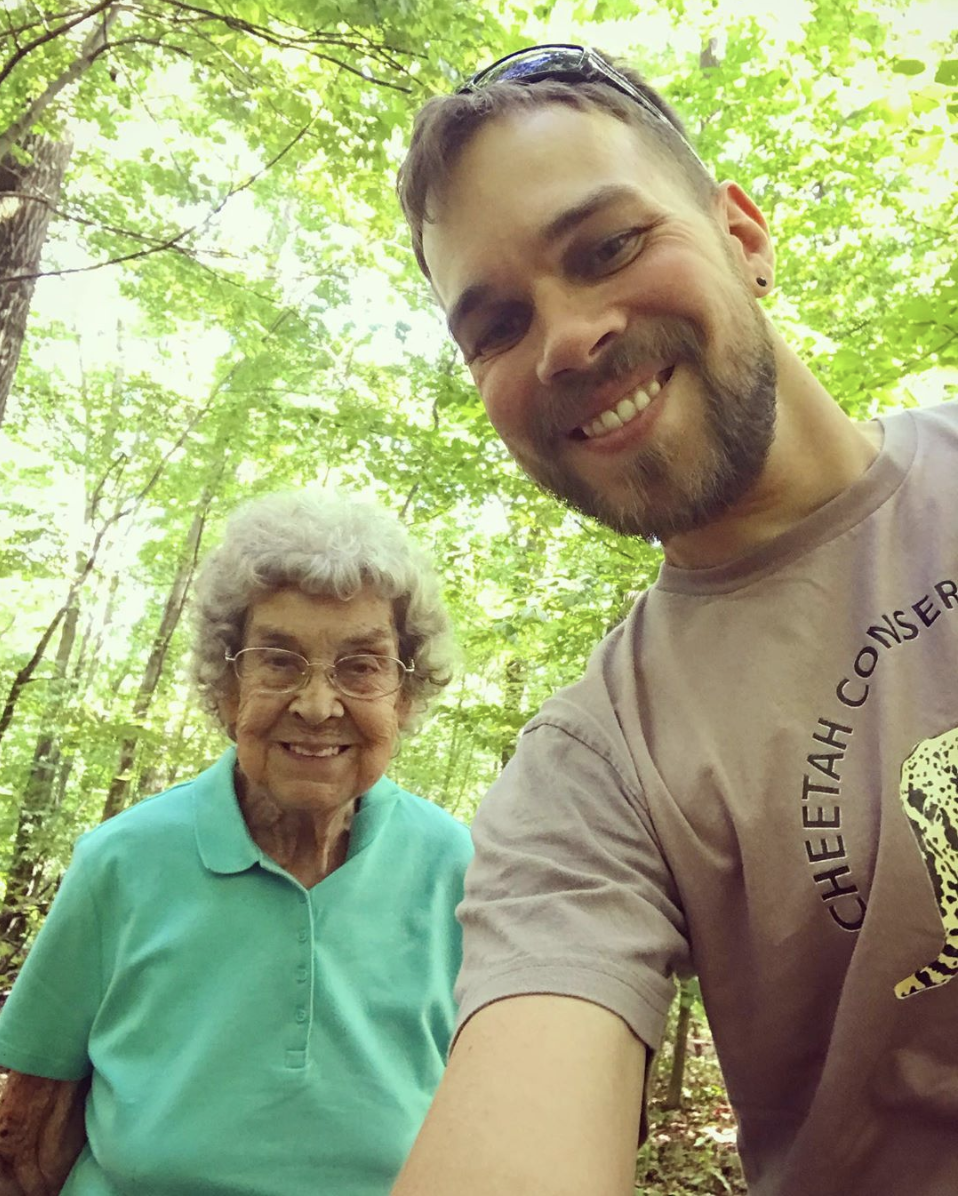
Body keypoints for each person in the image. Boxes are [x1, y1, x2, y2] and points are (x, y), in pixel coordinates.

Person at [391, 44, 958, 1196]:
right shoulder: (594, 770)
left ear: (743, 239)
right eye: (495, 325)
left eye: (606, 247)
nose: (564, 338)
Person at [0, 490, 472, 1196]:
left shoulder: (462, 870)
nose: (316, 706)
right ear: (227, 687)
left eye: (361, 665)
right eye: (278, 662)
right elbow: (29, 1134)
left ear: (404, 696)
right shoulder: (122, 862)